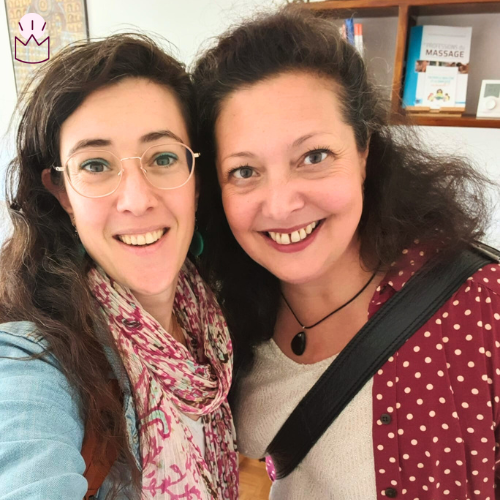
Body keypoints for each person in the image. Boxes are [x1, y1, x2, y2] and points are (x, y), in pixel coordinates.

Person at [193, 6, 500, 500]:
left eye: (314, 157)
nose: (282, 205)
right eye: (244, 171)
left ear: (364, 153)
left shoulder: (481, 305)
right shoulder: (219, 314)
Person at [0, 34, 238, 499]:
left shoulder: (215, 321)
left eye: (163, 157)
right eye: (95, 165)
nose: (137, 199)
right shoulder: (33, 360)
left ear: (196, 179)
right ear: (62, 193)